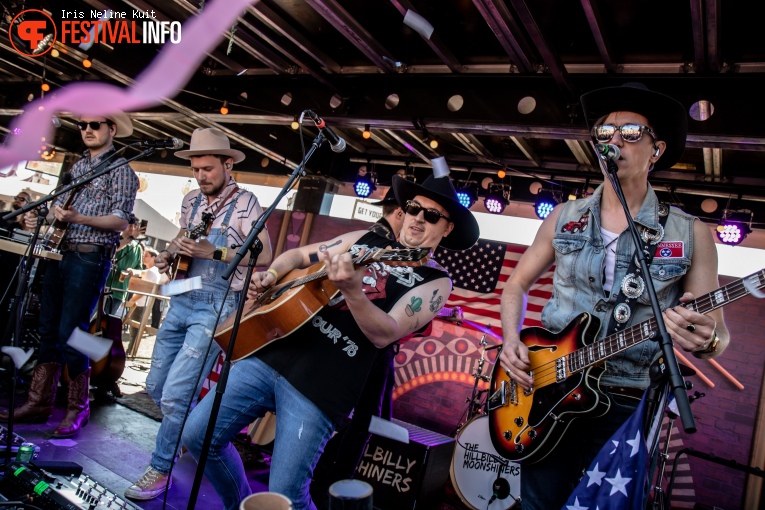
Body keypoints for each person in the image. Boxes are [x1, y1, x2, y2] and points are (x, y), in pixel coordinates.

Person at [182, 174, 480, 510]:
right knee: (198, 435)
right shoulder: (363, 238)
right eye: (414, 209)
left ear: (448, 228)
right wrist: (272, 276)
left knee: (288, 495)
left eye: (432, 216)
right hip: (274, 354)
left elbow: (385, 332)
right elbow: (295, 258)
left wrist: (353, 291)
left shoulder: (436, 282)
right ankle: (241, 505)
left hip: (322, 386)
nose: (418, 219)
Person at [498, 83, 730, 510]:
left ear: (656, 150)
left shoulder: (690, 233)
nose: (615, 141)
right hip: (550, 389)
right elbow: (516, 285)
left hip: (625, 400)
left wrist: (707, 340)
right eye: (605, 133)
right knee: (536, 502)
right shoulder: (564, 217)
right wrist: (511, 339)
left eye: (630, 133)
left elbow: (715, 330)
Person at [125, 127, 273, 501]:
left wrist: (217, 253)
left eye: (208, 168)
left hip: (217, 305)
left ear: (227, 164)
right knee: (157, 387)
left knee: (175, 396)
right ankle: (191, 432)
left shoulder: (246, 203)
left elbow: (266, 255)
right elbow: (185, 239)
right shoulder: (191, 200)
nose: (201, 176)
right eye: (196, 169)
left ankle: (160, 467)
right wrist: (169, 254)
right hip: (182, 295)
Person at [0, 110, 138, 438]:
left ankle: (79, 407)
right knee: (48, 330)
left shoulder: (121, 170)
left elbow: (121, 220)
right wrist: (40, 219)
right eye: (83, 125)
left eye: (95, 124)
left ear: (111, 129)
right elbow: (57, 209)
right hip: (58, 253)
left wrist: (80, 219)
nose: (87, 129)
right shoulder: (77, 167)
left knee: (71, 333)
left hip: (90, 258)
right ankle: (39, 402)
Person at [310, 187, 406, 502]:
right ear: (399, 213)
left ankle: (325, 479)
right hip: (367, 350)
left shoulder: (375, 241)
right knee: (363, 419)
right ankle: (334, 485)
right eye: (408, 212)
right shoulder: (380, 244)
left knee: (352, 417)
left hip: (351, 343)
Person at [124, 247, 165, 343]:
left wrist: (131, 301)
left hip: (139, 304)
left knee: (134, 332)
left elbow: (143, 291)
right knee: (135, 331)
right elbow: (142, 272)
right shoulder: (154, 270)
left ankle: (130, 352)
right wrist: (133, 271)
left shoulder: (151, 272)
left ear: (153, 258)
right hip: (143, 304)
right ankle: (131, 352)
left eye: (146, 256)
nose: (143, 257)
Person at [105, 217, 144, 316]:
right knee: (91, 319)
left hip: (120, 292)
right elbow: (114, 249)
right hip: (104, 288)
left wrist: (132, 272)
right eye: (129, 226)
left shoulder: (138, 247)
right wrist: (130, 239)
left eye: (135, 226)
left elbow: (140, 270)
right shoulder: (115, 239)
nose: (132, 229)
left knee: (106, 323)